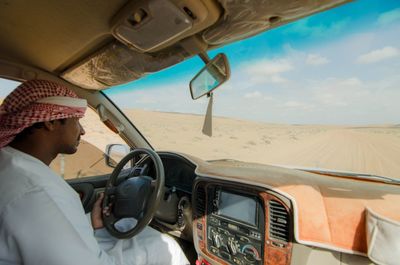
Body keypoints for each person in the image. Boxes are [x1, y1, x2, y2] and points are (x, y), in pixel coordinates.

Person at [0, 79, 190, 265]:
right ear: (51, 121)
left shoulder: (10, 162)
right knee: (165, 247)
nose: (82, 131)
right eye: (76, 120)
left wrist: (90, 222)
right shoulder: (38, 193)